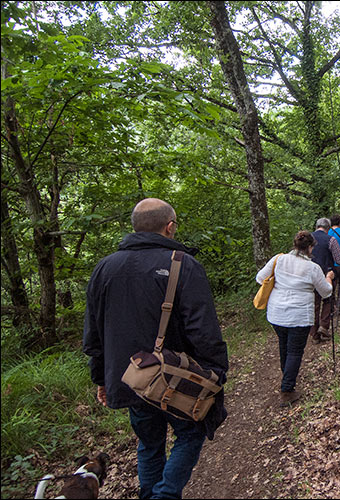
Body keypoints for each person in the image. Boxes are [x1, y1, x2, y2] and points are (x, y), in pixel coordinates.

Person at [83, 198, 229, 500]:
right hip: (178, 378)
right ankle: (163, 495)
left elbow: (93, 333)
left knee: (149, 443)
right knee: (191, 433)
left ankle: (152, 494)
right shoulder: (183, 264)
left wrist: (101, 378)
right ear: (170, 226)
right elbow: (202, 327)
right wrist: (216, 372)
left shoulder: (104, 268)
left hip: (131, 379)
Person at [255, 231, 334, 407]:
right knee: (295, 351)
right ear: (311, 247)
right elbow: (326, 292)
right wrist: (329, 278)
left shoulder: (279, 259)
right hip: (300, 315)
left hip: (276, 313)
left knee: (284, 346)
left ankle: (287, 378)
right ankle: (287, 389)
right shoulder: (313, 268)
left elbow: (260, 278)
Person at [310, 218, 340, 343]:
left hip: (310, 275)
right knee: (328, 299)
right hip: (327, 274)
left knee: (314, 304)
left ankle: (314, 334)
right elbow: (339, 259)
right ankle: (324, 326)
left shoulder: (308, 239)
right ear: (328, 228)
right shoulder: (331, 240)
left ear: (316, 226)